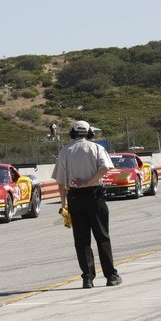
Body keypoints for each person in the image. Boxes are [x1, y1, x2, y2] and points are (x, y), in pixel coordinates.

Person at [51, 120, 122, 289]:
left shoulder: (65, 151)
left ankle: (88, 278)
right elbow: (106, 167)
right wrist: (88, 182)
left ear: (73, 133)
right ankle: (111, 276)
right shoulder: (96, 148)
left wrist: (64, 205)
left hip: (75, 198)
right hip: (94, 196)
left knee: (81, 240)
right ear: (90, 133)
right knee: (102, 237)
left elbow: (60, 182)